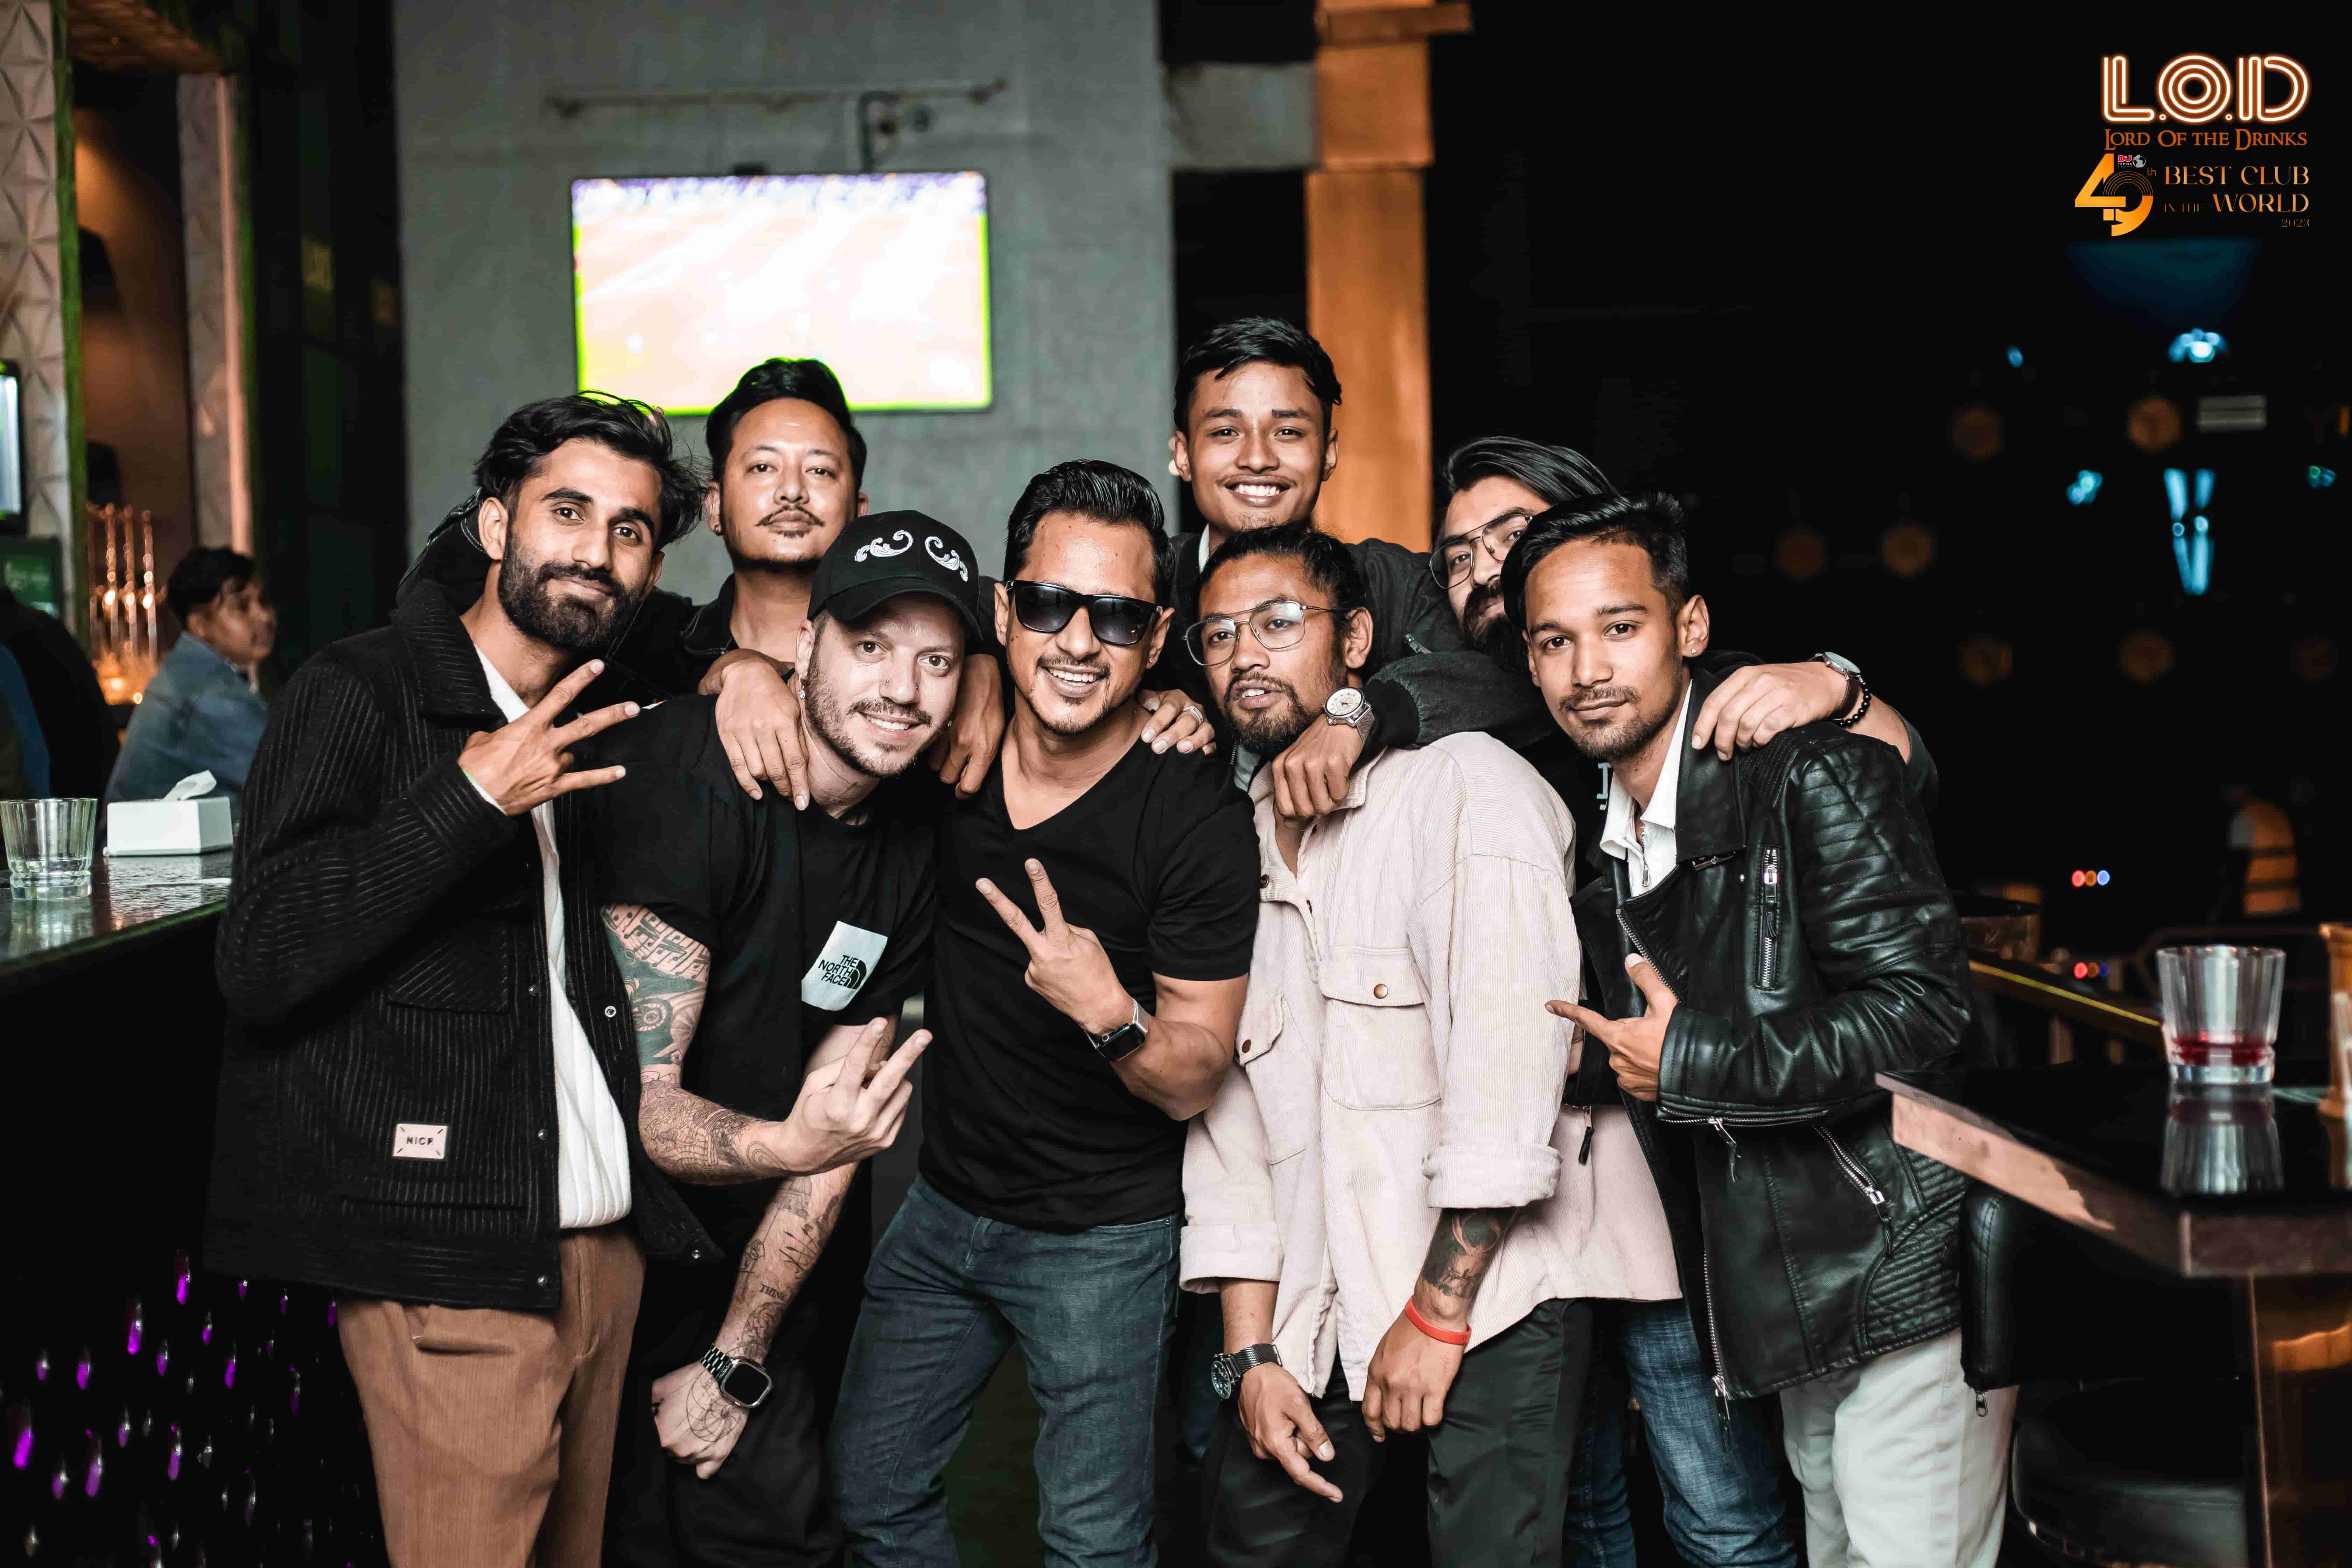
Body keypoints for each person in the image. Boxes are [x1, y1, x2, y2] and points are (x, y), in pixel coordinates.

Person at [206, 393, 714, 1568]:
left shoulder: (597, 707)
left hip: (599, 1260)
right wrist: (471, 798)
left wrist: (734, 669)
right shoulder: (359, 689)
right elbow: (263, 957)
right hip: (455, 1275)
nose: (596, 551)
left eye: (631, 530)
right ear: (496, 526)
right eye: (567, 512)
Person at [1515, 496, 2003, 1568]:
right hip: (1793, 1291)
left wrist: (1687, 1061)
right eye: (1554, 641)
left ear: (1688, 626)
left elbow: (1924, 1012)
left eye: (1618, 626)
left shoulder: (1811, 768)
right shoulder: (1605, 839)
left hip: (1900, 1266)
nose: (1587, 668)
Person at [1181, 524, 1676, 1565]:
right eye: (1217, 635)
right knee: (1249, 1545)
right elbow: (1232, 1126)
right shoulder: (1231, 837)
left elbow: (1507, 1080)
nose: (1245, 654)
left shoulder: (1466, 787)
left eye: (1279, 622)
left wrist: (1439, 1315)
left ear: (1356, 640)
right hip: (1313, 1300)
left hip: (1492, 1293)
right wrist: (1252, 1355)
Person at [830, 461, 1258, 1567]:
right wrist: (741, 676)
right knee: (871, 1493)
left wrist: (1108, 1011)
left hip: (1101, 1239)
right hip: (943, 1206)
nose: (1077, 641)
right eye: (1048, 604)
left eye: (1115, 616)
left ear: (1155, 640)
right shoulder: (942, 752)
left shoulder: (1194, 817)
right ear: (1002, 609)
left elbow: (1196, 1071)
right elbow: (811, 675)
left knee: (1091, 1545)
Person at [585, 511, 985, 1567]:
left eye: (937, 661)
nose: (903, 688)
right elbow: (641, 1103)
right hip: (597, 1255)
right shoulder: (688, 777)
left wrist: (734, 1360)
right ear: (803, 648)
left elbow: (835, 1127)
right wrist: (789, 1144)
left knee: (780, 1535)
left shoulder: (914, 839)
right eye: (871, 646)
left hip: (753, 1268)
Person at [402, 358, 1206, 805]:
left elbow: (1085, 632)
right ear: (712, 506)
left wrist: (984, 663)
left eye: (820, 471)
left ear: (860, 510)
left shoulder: (958, 645)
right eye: (762, 468)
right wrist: (736, 669)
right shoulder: (640, 633)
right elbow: (438, 589)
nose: (791, 491)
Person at [1150, 317, 1553, 818]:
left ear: (1329, 454)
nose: (1257, 458)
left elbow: (1529, 677)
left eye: (1288, 431)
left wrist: (1362, 713)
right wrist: (1135, 705)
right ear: (1183, 455)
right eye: (1226, 432)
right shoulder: (1142, 583)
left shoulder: (1393, 581)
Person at [105, 547, 276, 805]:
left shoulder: (190, 672)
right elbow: (286, 775)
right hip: (148, 833)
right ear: (200, 625)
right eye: (242, 607)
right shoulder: (204, 690)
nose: (265, 617)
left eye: (262, 602)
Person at [0, 575, 115, 798]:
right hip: (86, 797)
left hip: (49, 804)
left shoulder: (6, 647)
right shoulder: (47, 626)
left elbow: (29, 763)